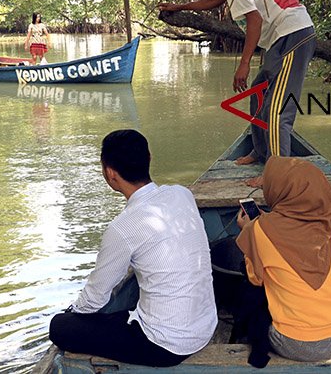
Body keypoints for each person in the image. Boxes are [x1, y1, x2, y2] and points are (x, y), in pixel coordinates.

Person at [48, 129, 217, 366]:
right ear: (149, 157)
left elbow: (95, 299)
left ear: (110, 173)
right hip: (206, 327)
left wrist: (72, 311)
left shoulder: (123, 228)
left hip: (166, 347)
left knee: (59, 326)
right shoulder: (181, 194)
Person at [158, 0, 315, 167]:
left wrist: (243, 64)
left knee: (277, 113)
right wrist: (181, 6)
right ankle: (261, 153)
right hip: (284, 37)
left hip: (294, 34)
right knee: (258, 93)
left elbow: (254, 20)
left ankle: (279, 176)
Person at [235, 156, 331, 363]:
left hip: (298, 345)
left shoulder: (260, 230)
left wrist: (248, 231)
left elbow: (256, 280)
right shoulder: (330, 219)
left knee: (253, 293)